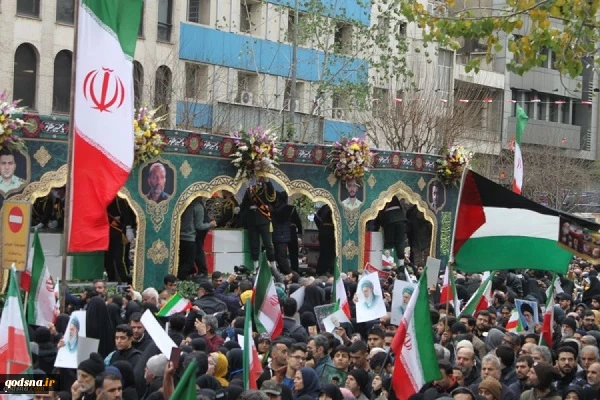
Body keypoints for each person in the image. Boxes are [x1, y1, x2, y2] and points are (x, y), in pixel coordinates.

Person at [240, 176, 277, 272]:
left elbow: (271, 195)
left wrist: (267, 181)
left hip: (264, 220)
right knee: (254, 244)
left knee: (268, 244)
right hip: (252, 221)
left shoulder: (266, 188)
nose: (257, 179)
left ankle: (273, 266)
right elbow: (244, 205)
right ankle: (255, 266)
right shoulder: (249, 191)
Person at [105, 196, 135, 282]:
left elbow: (126, 214)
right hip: (107, 233)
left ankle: (126, 280)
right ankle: (111, 280)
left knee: (120, 259)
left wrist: (129, 227)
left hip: (120, 233)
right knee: (108, 259)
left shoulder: (120, 198)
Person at [194, 197, 217, 277]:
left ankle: (202, 271)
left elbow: (199, 225)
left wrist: (209, 224)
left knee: (198, 251)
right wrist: (209, 224)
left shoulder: (198, 206)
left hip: (199, 232)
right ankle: (202, 271)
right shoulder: (199, 205)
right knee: (198, 251)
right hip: (200, 231)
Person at [380, 196, 407, 261]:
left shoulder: (382, 194)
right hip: (400, 218)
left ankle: (387, 264)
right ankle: (401, 263)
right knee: (400, 243)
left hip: (389, 219)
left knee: (389, 243)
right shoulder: (394, 195)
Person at [315, 204, 335, 275]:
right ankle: (327, 270)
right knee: (330, 253)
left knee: (323, 253)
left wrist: (321, 228)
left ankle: (320, 271)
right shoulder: (335, 207)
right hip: (331, 233)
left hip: (323, 232)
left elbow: (316, 218)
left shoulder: (325, 206)